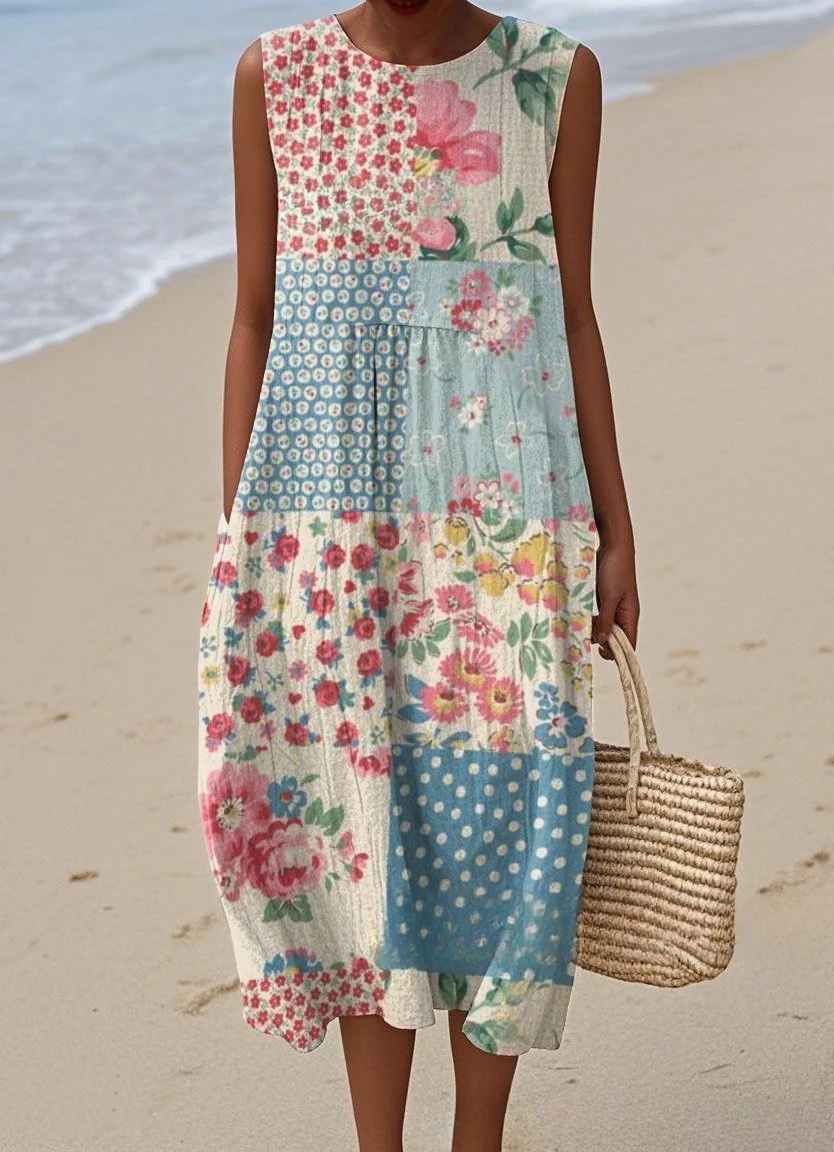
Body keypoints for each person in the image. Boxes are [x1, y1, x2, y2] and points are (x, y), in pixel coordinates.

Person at [196, 3, 639, 1150]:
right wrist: (242, 532)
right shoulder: (276, 76)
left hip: (508, 520)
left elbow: (573, 316)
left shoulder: (553, 78)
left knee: (505, 828)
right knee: (360, 828)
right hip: (325, 529)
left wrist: (616, 528)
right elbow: (254, 317)